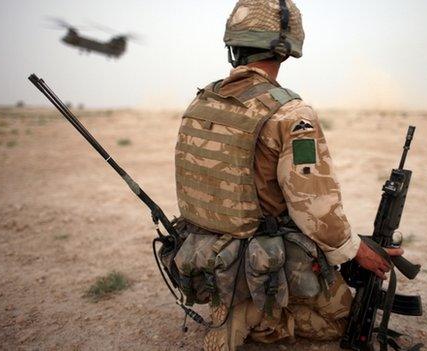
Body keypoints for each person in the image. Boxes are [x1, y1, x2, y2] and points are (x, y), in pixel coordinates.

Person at [172, 1, 403, 350]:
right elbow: (314, 205)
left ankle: (231, 300)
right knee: (340, 322)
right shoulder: (291, 114)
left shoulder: (201, 103)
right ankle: (252, 314)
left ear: (233, 44)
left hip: (205, 256)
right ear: (286, 47)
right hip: (260, 262)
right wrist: (355, 249)